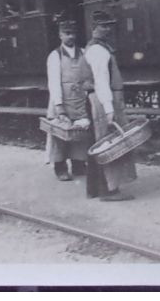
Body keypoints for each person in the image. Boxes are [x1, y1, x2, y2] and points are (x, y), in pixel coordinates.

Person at [84, 12, 137, 201]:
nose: (107, 29)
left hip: (100, 97)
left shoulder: (98, 47)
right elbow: (101, 81)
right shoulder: (98, 50)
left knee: (99, 142)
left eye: (109, 25)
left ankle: (94, 189)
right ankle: (108, 190)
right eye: (103, 26)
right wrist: (109, 108)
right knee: (107, 144)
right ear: (94, 28)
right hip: (103, 98)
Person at [44, 17, 93, 182]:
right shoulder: (55, 56)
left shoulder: (84, 53)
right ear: (60, 35)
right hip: (62, 99)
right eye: (67, 33)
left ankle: (78, 164)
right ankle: (60, 168)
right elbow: (54, 83)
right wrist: (59, 106)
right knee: (60, 134)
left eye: (73, 33)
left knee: (79, 132)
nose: (70, 37)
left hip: (79, 98)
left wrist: (87, 91)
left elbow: (88, 76)